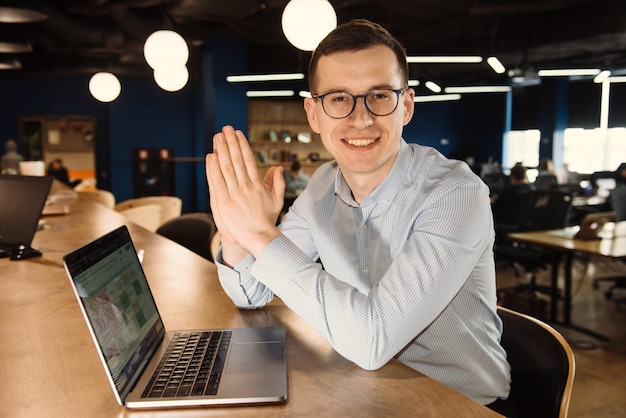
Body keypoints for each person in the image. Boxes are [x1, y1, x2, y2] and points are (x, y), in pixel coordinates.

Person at [205, 19, 510, 412]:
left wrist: (261, 235)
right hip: (364, 390)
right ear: (314, 114)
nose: (360, 119)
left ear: (407, 106)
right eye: (338, 98)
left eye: (380, 96)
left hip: (460, 404)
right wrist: (235, 232)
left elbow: (371, 341)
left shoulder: (455, 195)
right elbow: (251, 296)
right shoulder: (321, 186)